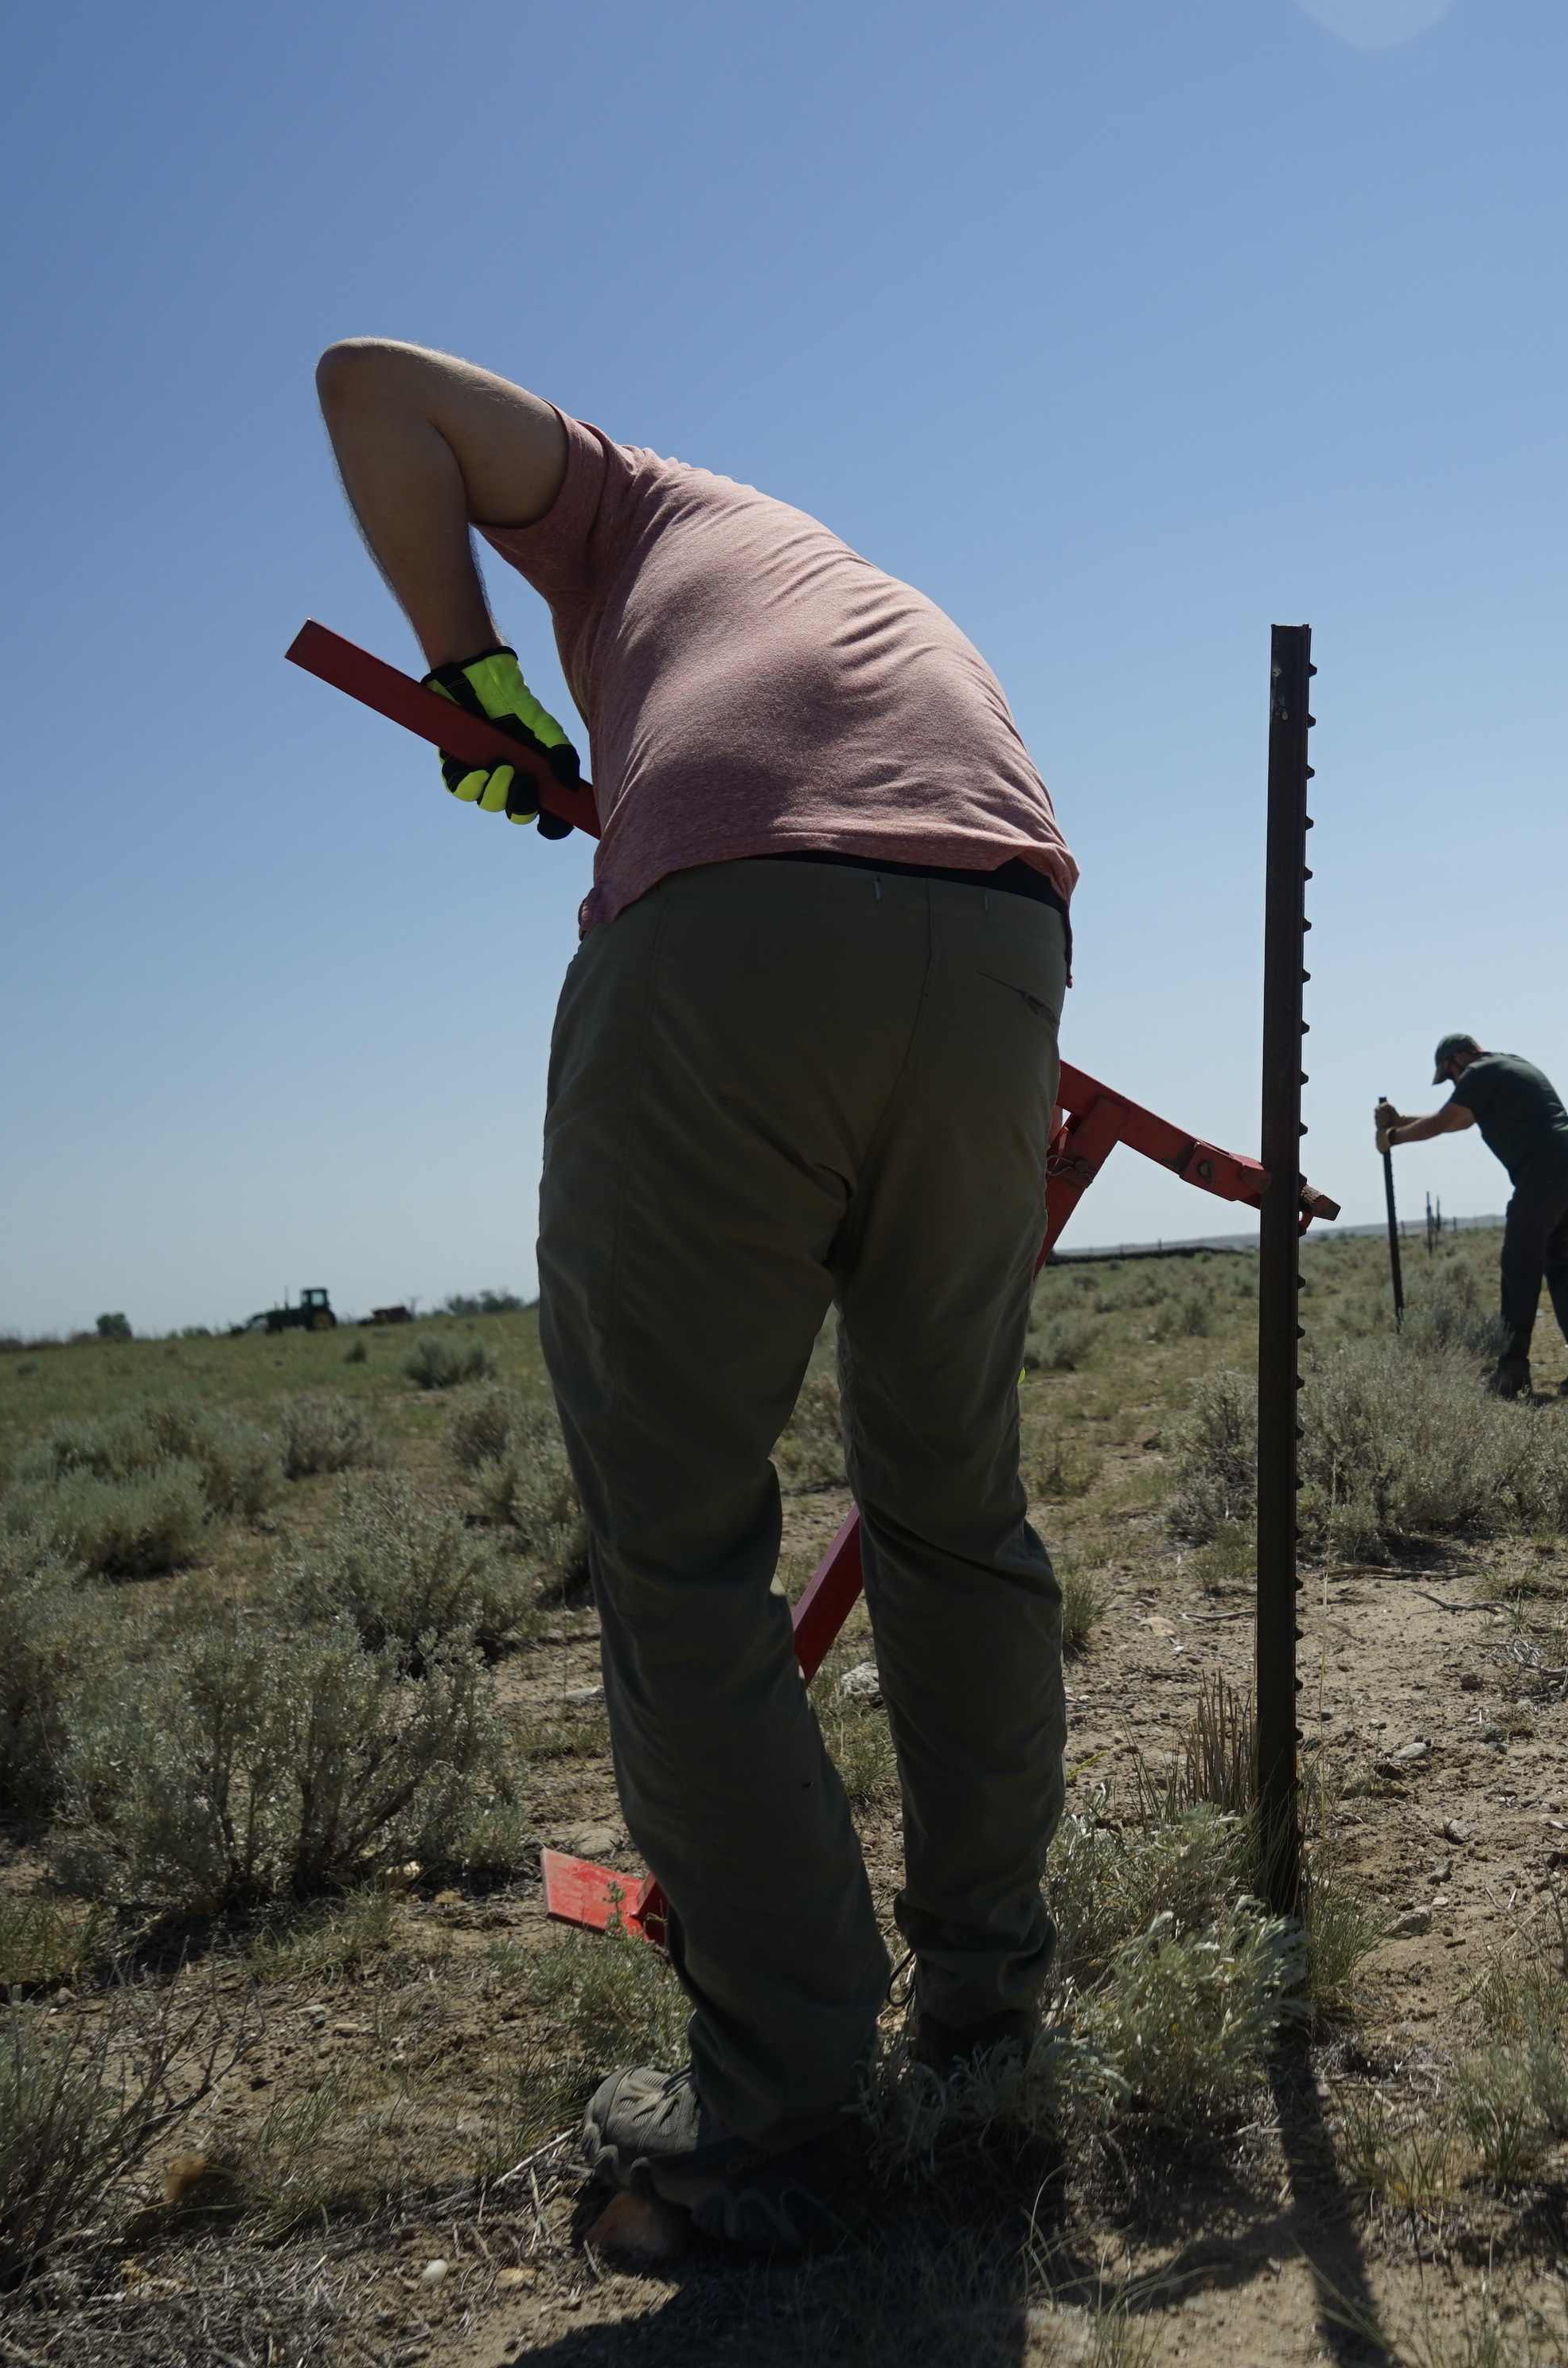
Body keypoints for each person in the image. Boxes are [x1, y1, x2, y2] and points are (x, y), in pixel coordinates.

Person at [311, 338, 1076, 2251]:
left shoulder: (621, 506)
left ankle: (784, 2086)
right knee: (950, 1509)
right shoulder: (819, 575)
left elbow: (364, 386)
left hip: (742, 931)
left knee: (676, 1541)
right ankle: (986, 2021)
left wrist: (467, 672)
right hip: (997, 939)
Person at [1376, 1036, 1568, 1397]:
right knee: (1559, 1265)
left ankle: (1513, 1369)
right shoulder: (1508, 1063)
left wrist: (1393, 1137)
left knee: (1520, 1268)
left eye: (1449, 1077)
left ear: (1457, 1059)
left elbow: (1446, 1122)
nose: (1453, 1084)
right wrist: (1402, 1121)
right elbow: (1461, 1117)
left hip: (1543, 1175)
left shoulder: (1480, 1072)